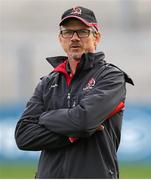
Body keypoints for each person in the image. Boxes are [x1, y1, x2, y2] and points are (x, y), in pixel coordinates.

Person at [15, 6, 134, 179]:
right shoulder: (48, 82)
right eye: (68, 32)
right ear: (60, 38)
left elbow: (84, 121)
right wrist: (71, 135)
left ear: (96, 38)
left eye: (83, 32)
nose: (75, 38)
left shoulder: (111, 77)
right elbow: (23, 136)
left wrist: (45, 117)